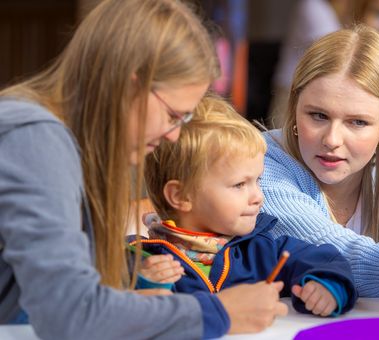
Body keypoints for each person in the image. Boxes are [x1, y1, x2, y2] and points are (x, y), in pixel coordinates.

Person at [0, 0, 287, 339]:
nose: (175, 135)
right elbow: (71, 313)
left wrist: (134, 305)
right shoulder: (36, 141)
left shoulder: (61, 143)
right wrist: (219, 311)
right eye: (172, 116)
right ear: (130, 85)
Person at [138, 95, 358, 317]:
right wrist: (142, 285)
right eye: (239, 184)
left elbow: (328, 260)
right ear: (181, 196)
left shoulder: (263, 250)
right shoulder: (140, 261)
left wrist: (327, 288)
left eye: (257, 181)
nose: (258, 197)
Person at [260, 25, 379, 297]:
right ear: (295, 109)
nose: (332, 139)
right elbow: (333, 255)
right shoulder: (258, 162)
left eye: (357, 122)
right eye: (318, 115)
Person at [270, 0, 348, 128]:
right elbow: (334, 46)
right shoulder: (312, 5)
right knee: (284, 138)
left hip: (310, 86)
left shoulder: (330, 8)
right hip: (293, 86)